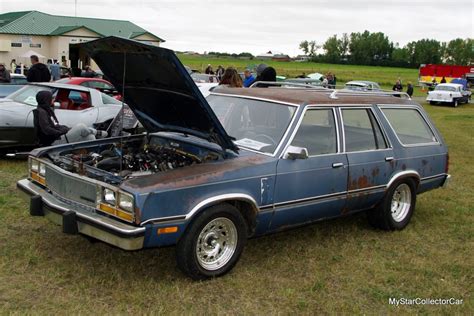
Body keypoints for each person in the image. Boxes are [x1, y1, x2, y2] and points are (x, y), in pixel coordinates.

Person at [35, 90, 105, 146]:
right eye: (51, 98)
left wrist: (66, 128)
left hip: (58, 137)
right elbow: (47, 129)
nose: (53, 99)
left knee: (90, 137)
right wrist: (61, 132)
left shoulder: (47, 110)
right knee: (81, 126)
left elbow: (55, 125)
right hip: (54, 141)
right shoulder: (41, 112)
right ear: (46, 99)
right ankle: (97, 132)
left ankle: (93, 156)